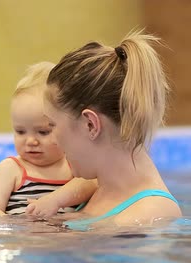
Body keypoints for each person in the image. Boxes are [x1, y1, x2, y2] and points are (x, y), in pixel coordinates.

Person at [42, 30, 182, 230]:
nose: (53, 140)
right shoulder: (95, 188)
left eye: (52, 125)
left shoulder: (147, 216)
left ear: (90, 125)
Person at [0, 62, 97, 216]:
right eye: (20, 131)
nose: (30, 141)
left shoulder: (74, 169)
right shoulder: (11, 169)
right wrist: (10, 227)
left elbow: (93, 184)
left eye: (43, 132)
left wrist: (55, 199)